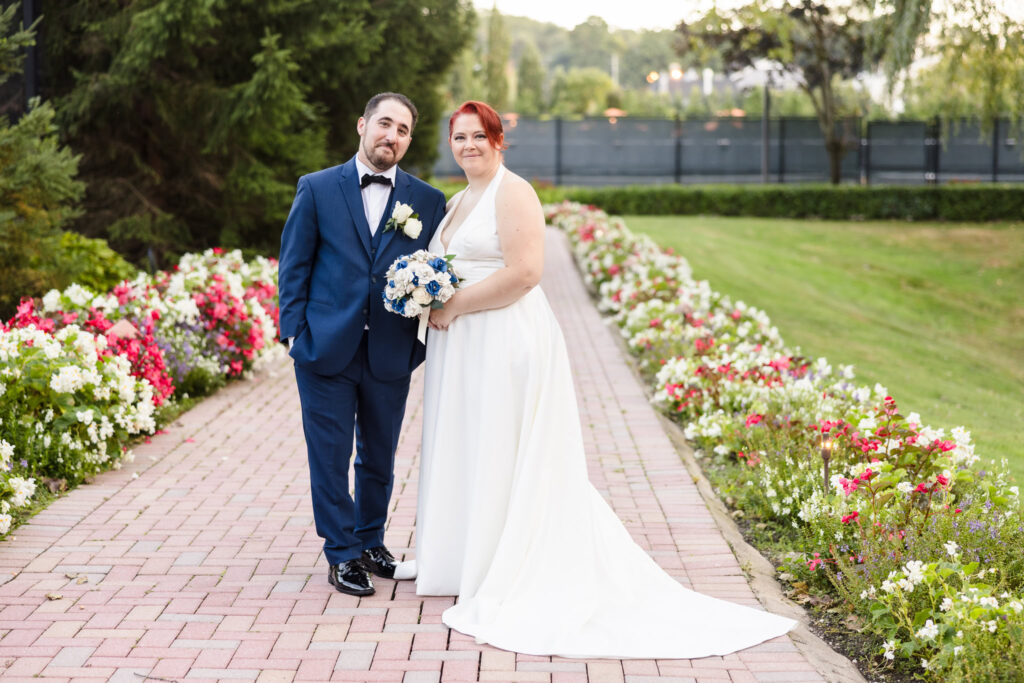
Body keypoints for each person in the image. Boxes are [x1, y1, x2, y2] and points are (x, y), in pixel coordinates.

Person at [399, 100, 797, 657]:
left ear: (497, 141)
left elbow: (526, 274)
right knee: (471, 444)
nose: (468, 145)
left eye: (478, 136)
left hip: (504, 338)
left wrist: (455, 304)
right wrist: (429, 296)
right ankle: (469, 555)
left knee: (504, 446)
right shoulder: (457, 201)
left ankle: (507, 559)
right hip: (463, 344)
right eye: (459, 137)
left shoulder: (513, 192)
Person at [278, 92, 447, 597]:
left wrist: (417, 342)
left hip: (390, 351)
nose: (391, 136)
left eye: (402, 130)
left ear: (409, 140)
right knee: (329, 455)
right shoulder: (317, 188)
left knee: (380, 454)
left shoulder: (428, 201)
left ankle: (371, 541)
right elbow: (295, 265)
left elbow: (438, 274)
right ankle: (342, 553)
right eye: (384, 124)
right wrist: (294, 332)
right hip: (324, 348)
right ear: (362, 125)